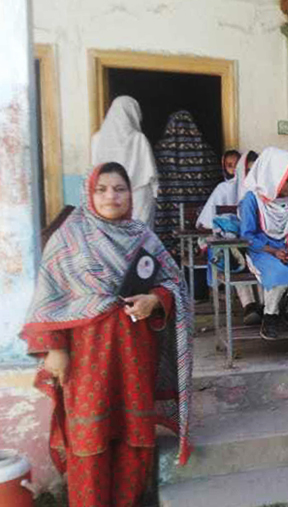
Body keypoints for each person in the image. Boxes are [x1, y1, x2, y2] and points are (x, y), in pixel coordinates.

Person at [20, 162, 193, 507]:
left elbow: (175, 284)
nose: (111, 196)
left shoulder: (143, 236)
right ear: (89, 193)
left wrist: (154, 300)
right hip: (85, 356)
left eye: (120, 189)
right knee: (88, 438)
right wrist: (55, 348)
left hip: (134, 352)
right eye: (102, 189)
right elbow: (47, 299)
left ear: (131, 194)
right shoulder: (69, 238)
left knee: (134, 437)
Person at [240, 147, 288, 341]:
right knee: (277, 272)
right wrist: (273, 251)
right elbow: (247, 236)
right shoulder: (252, 199)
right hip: (261, 250)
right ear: (273, 177)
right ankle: (270, 315)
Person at [197, 150, 262, 325]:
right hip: (231, 243)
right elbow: (207, 222)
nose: (252, 174)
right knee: (235, 253)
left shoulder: (264, 191)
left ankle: (264, 307)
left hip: (257, 242)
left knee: (260, 253)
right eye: (248, 170)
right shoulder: (224, 189)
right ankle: (250, 305)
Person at [153, 110, 223, 255]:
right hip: (197, 218)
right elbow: (216, 179)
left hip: (168, 213)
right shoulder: (206, 152)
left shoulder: (160, 151)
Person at [90, 96, 158, 227]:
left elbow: (94, 170)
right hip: (139, 194)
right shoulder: (139, 138)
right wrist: (155, 191)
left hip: (108, 193)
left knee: (111, 232)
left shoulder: (97, 139)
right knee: (140, 235)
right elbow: (150, 171)